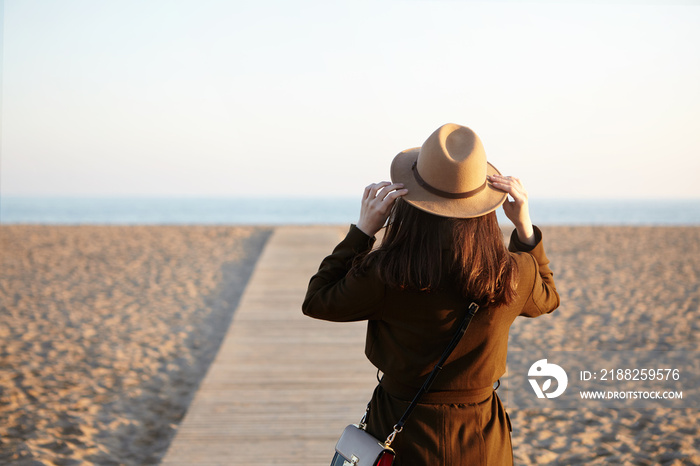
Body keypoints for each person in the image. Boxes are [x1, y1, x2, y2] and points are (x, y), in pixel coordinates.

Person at [302, 123, 560, 465]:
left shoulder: (386, 273)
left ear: (410, 200)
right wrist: (524, 228)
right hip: (481, 436)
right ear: (485, 208)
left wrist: (363, 231)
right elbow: (548, 297)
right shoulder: (513, 272)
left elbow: (318, 299)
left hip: (401, 428)